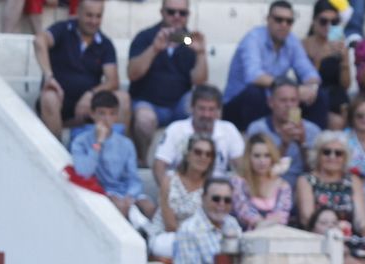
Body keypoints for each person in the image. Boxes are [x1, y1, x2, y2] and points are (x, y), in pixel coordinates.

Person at [127, 0, 208, 159]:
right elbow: (132, 74)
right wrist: (154, 49)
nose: (177, 17)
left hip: (179, 105)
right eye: (171, 12)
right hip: (148, 103)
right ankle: (142, 161)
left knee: (204, 104)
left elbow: (199, 82)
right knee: (144, 119)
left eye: (182, 13)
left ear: (188, 15)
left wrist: (200, 54)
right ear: (162, 12)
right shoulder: (145, 37)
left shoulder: (189, 40)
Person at [222, 0, 322, 129]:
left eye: (289, 21)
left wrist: (311, 88)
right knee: (256, 93)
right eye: (279, 20)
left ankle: (314, 142)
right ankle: (253, 141)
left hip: (273, 101)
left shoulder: (291, 40)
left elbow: (308, 72)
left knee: (317, 96)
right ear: (268, 19)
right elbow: (253, 76)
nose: (284, 25)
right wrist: (293, 89)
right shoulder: (254, 38)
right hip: (237, 104)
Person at [35, 0, 123, 139]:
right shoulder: (63, 29)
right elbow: (39, 41)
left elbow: (113, 81)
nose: (94, 21)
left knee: (122, 98)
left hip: (88, 108)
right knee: (49, 97)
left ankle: (121, 152)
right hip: (59, 99)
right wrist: (48, 77)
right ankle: (56, 152)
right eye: (89, 15)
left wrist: (90, 94)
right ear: (78, 13)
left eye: (98, 16)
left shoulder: (105, 44)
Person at [69, 91, 154, 221]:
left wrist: (130, 196)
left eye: (111, 114)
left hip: (125, 193)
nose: (106, 119)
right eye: (102, 113)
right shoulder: (80, 142)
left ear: (116, 116)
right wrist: (98, 143)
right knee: (118, 206)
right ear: (92, 114)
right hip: (100, 192)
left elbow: (133, 178)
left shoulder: (126, 144)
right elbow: (83, 173)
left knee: (149, 207)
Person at [154, 87, 244, 184]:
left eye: (211, 109)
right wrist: (169, 193)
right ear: (191, 108)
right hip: (183, 190)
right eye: (202, 108)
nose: (206, 114)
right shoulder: (175, 129)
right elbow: (159, 166)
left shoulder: (229, 129)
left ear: (218, 111)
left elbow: (243, 165)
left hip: (217, 192)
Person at [246, 79, 323, 182]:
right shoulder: (257, 129)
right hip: (267, 186)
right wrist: (284, 145)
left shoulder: (312, 130)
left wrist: (302, 145)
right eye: (283, 100)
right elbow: (254, 171)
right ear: (270, 102)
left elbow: (317, 173)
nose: (289, 105)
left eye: (293, 100)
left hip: (301, 188)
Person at [174, 178, 242, 264]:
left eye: (227, 200)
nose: (222, 204)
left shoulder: (232, 223)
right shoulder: (188, 230)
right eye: (216, 199)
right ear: (203, 198)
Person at [296, 131, 365, 231]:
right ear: (317, 155)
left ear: (345, 158)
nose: (332, 157)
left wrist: (364, 228)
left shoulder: (353, 181)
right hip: (316, 239)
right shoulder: (305, 180)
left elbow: (360, 218)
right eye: (326, 152)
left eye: (338, 153)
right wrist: (334, 229)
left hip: (347, 240)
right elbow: (307, 219)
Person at [153, 135, 214, 258]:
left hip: (198, 239)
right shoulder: (169, 180)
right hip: (167, 236)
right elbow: (170, 225)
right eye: (198, 152)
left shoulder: (211, 187)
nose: (203, 157)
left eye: (209, 154)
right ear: (188, 154)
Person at [303, 1, 351, 131]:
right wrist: (319, 58)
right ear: (314, 21)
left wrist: (345, 59)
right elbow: (304, 81)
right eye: (323, 21)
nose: (328, 26)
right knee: (336, 121)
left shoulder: (339, 46)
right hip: (312, 95)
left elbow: (346, 84)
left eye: (334, 22)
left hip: (337, 96)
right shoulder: (303, 45)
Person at [230, 133, 294, 230]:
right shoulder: (238, 182)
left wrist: (264, 223)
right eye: (257, 156)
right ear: (249, 158)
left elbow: (282, 217)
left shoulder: (283, 186)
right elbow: (244, 212)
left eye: (267, 156)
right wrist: (264, 222)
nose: (262, 161)